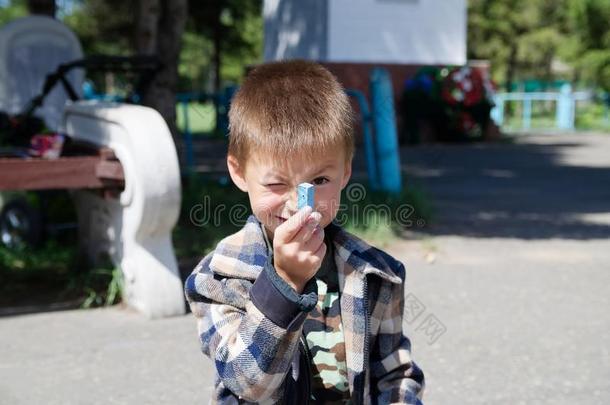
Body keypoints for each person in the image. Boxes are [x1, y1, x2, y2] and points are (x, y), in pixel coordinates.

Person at [184, 60, 425, 404]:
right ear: (238, 172)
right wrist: (283, 283)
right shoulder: (219, 277)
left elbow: (395, 374)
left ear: (345, 173)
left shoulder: (376, 274)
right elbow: (249, 385)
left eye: (320, 181)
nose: (301, 205)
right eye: (276, 183)